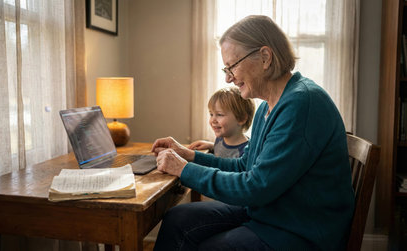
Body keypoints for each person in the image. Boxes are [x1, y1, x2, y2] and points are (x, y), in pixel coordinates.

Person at [151, 15, 355, 251]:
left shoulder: (302, 103)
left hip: (301, 230)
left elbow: (256, 187)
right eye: (225, 68)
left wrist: (183, 170)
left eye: (232, 66)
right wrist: (190, 156)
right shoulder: (267, 106)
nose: (228, 77)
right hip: (271, 212)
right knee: (177, 219)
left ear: (265, 57)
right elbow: (244, 166)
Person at [188, 86, 255, 158]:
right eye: (211, 114)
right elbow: (225, 151)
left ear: (241, 119)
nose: (213, 120)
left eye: (219, 114)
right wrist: (211, 146)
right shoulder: (221, 138)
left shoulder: (246, 153)